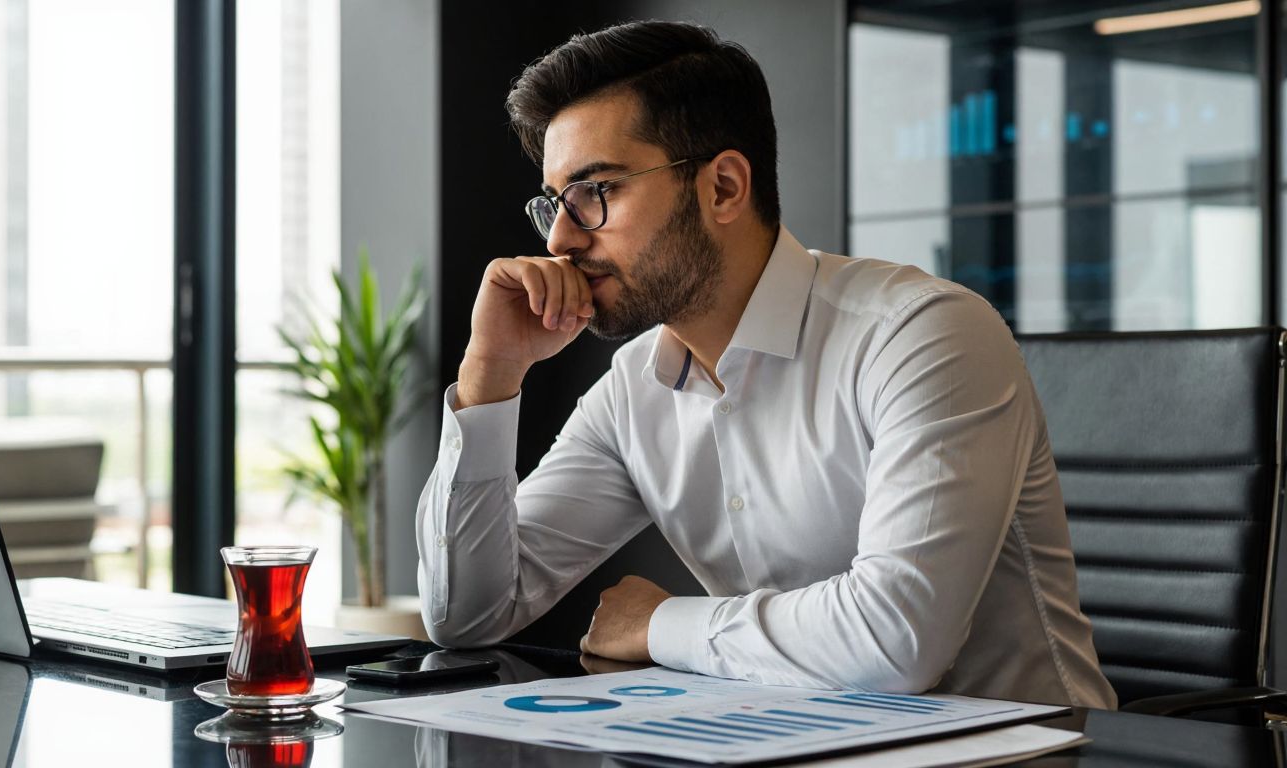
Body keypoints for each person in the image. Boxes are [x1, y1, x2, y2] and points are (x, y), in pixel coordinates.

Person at [414, 19, 1115, 708]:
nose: (562, 238)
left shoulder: (922, 336)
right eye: (555, 204)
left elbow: (897, 640)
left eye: (597, 192)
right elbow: (469, 617)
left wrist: (657, 625)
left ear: (722, 187)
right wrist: (489, 374)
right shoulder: (633, 391)